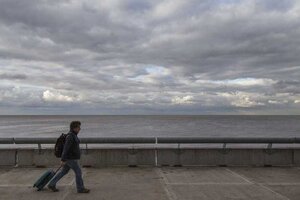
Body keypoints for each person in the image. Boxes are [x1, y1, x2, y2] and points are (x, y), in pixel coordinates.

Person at [48, 121, 90, 193]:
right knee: (78, 172)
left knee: (64, 172)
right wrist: (63, 159)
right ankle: (80, 188)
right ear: (74, 128)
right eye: (78, 127)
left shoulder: (73, 135)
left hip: (70, 158)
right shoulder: (70, 136)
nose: (80, 129)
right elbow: (66, 148)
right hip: (71, 159)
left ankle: (51, 184)